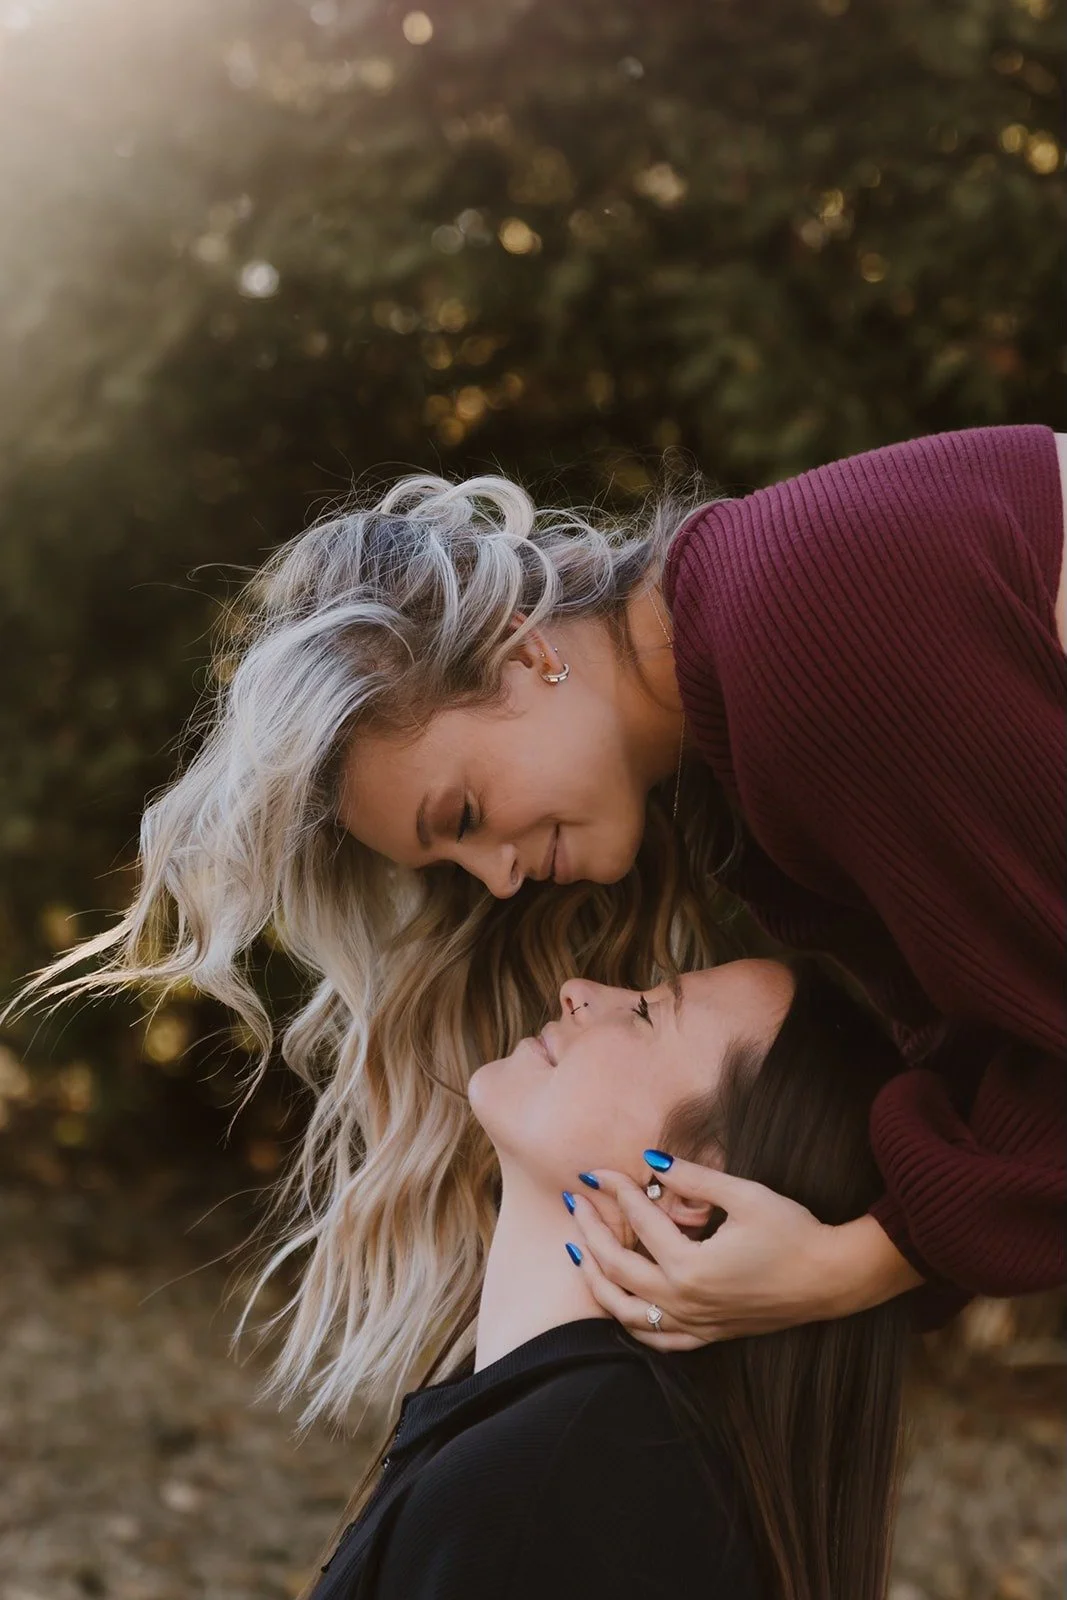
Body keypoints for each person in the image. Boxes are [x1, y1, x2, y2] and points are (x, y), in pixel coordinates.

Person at [7, 425, 1063, 1421]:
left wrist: (854, 1263)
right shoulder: (746, 703)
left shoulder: (782, 635)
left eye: (461, 818)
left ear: (515, 651)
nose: (499, 879)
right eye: (452, 861)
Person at [308, 958, 911, 1600]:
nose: (577, 992)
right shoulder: (570, 1446)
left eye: (650, 1011)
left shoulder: (573, 1475)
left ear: (695, 1187)